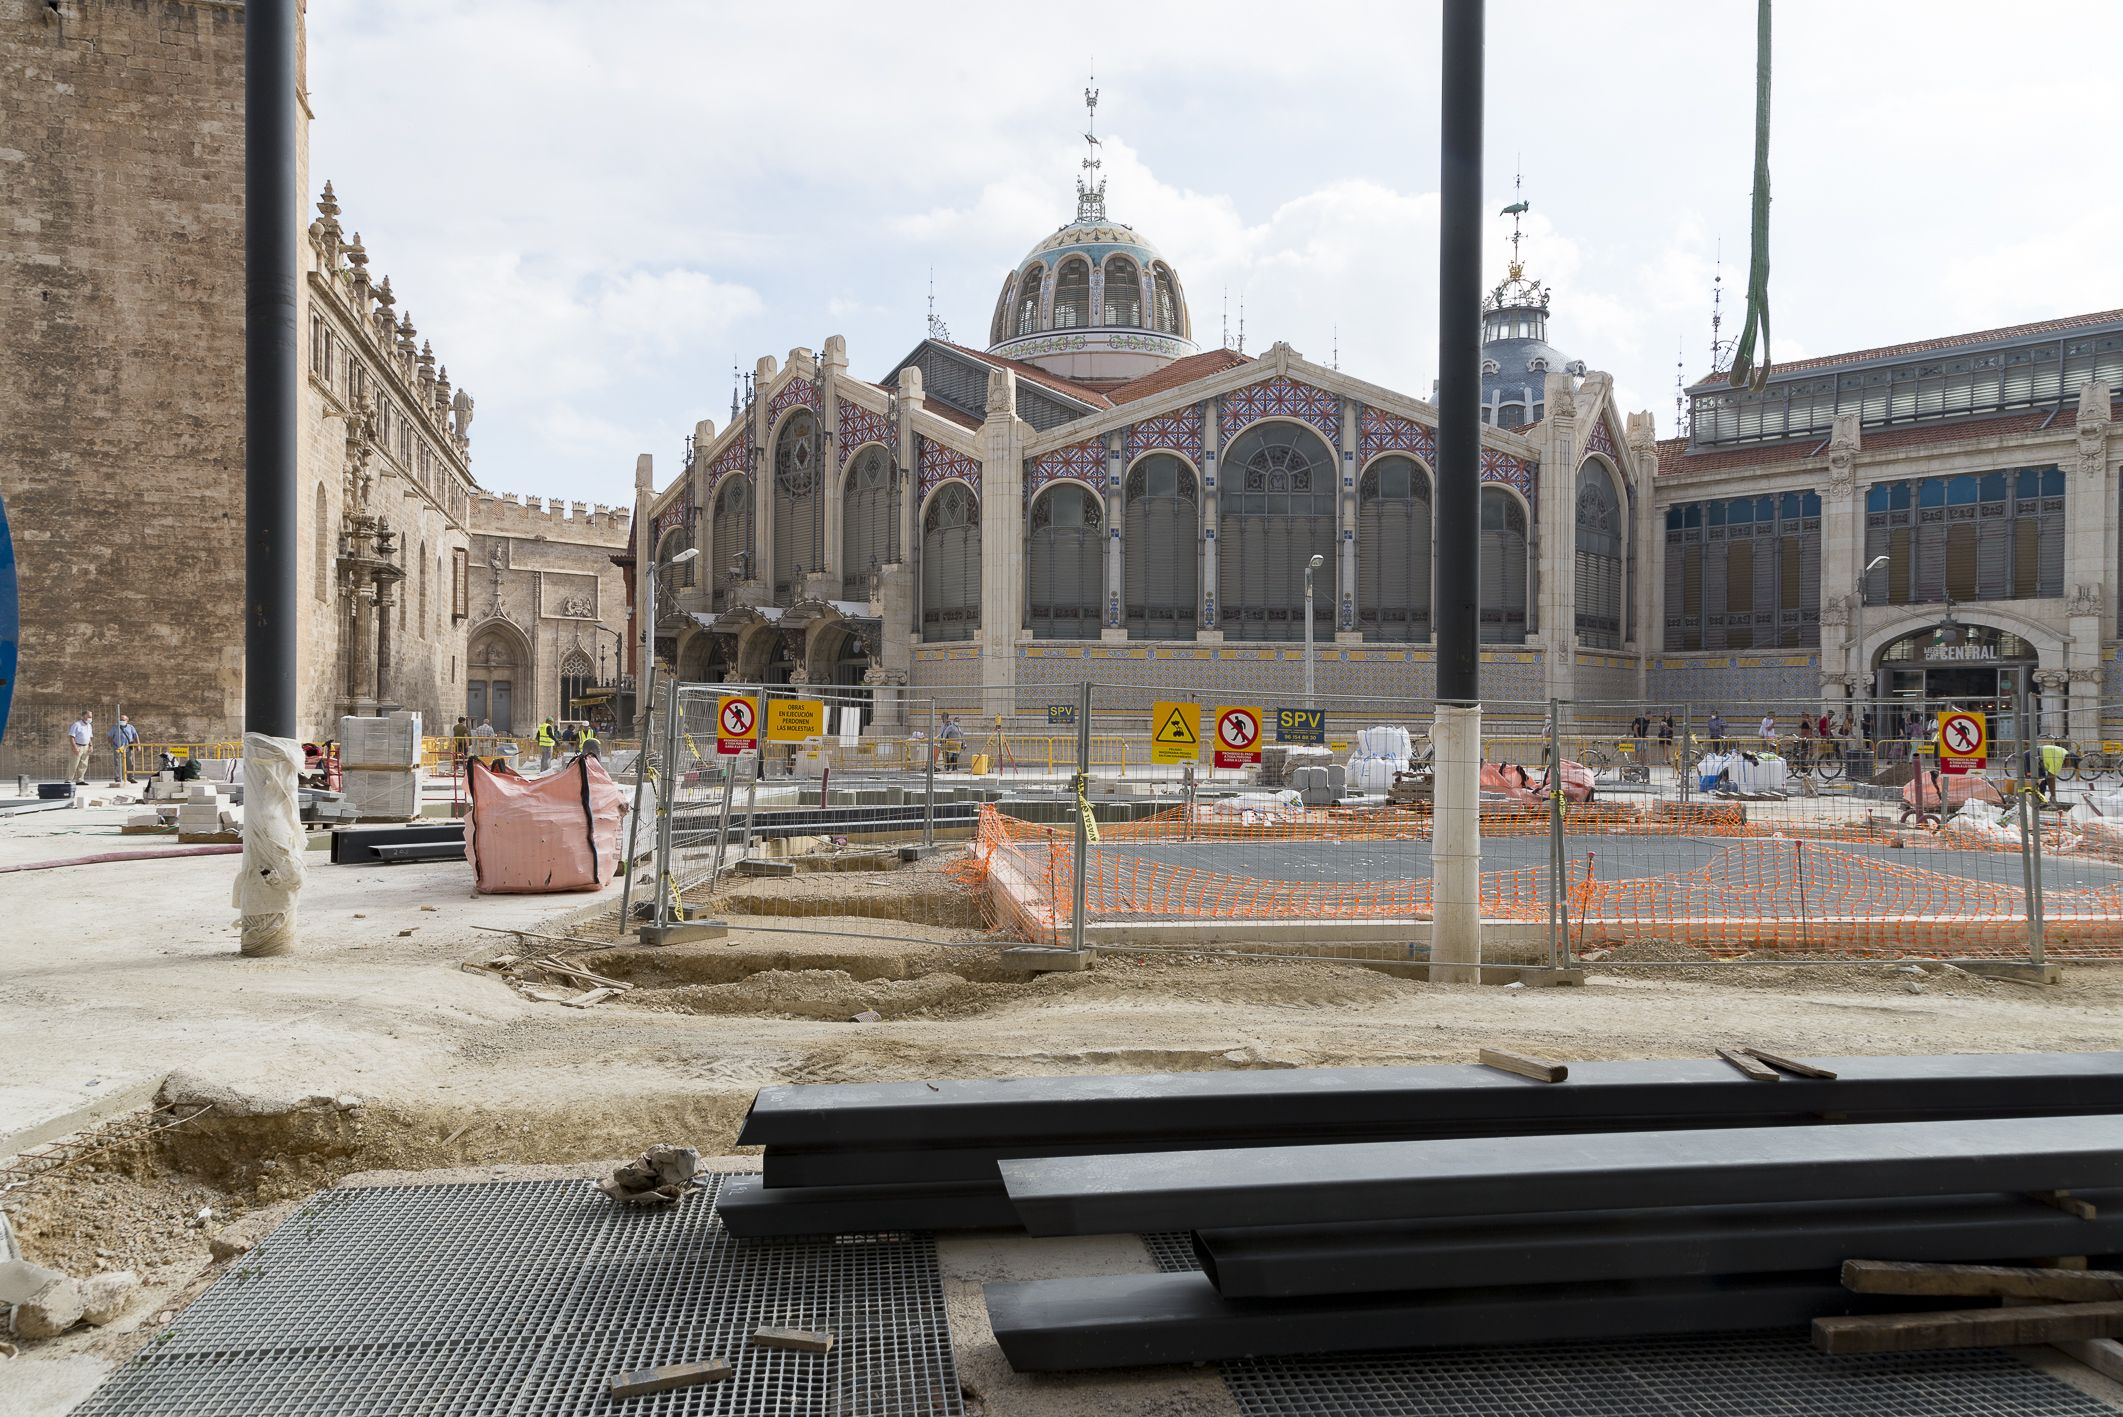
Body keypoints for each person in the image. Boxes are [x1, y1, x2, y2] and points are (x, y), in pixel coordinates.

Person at [106, 713, 140, 785]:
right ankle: (118, 777)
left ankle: (130, 777)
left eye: (123, 720)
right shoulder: (115, 727)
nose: (121, 721)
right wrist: (112, 745)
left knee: (130, 762)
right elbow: (109, 737)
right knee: (117, 762)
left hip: (127, 747)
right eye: (120, 720)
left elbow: (135, 736)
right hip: (118, 747)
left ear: (127, 721)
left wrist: (138, 745)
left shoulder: (131, 727)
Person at [65, 710, 95, 785]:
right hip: (78, 746)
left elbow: (89, 737)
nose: (90, 718)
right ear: (83, 716)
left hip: (86, 746)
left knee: (83, 764)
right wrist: (74, 747)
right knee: (74, 763)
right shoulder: (77, 725)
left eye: (91, 716)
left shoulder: (89, 726)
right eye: (89, 716)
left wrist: (91, 745)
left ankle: (80, 780)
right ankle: (68, 780)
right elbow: (71, 737)